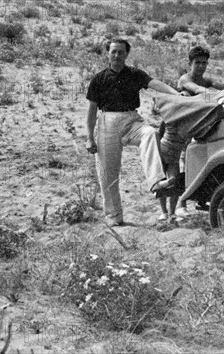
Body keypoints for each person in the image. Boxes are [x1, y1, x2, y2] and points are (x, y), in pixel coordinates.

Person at [85, 38, 181, 227]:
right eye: (113, 52)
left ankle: (156, 182)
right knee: (107, 173)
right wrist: (89, 138)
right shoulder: (99, 79)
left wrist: (176, 94)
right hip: (107, 123)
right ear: (107, 53)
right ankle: (114, 217)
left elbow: (154, 84)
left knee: (150, 134)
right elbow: (91, 111)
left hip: (131, 120)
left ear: (127, 54)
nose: (117, 56)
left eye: (121, 52)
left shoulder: (134, 74)